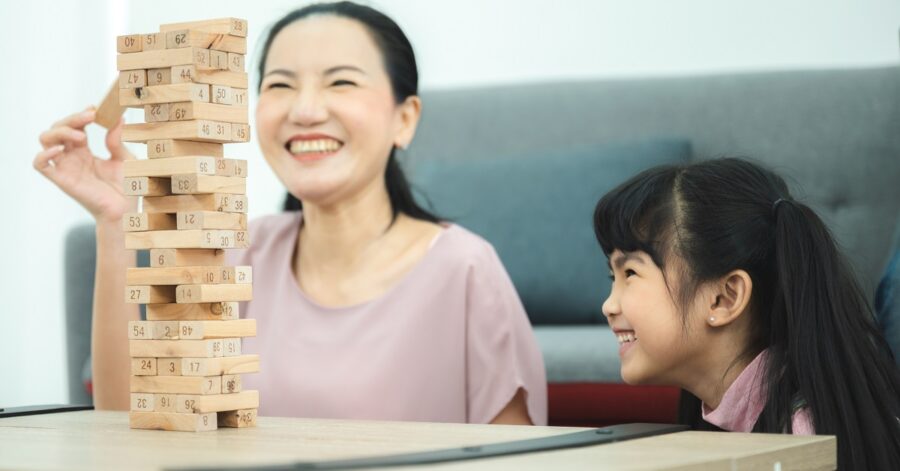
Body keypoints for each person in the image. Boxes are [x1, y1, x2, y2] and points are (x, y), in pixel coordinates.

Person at [34, 1, 546, 425]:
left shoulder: (466, 270)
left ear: (404, 119)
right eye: (279, 85)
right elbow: (131, 426)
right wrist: (117, 221)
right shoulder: (235, 254)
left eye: (340, 82)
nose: (304, 110)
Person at [593, 157, 900, 468]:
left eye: (630, 273)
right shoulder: (725, 421)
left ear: (725, 298)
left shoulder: (799, 441)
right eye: (612, 277)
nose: (609, 305)